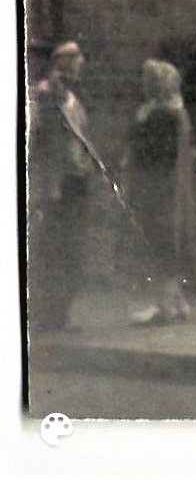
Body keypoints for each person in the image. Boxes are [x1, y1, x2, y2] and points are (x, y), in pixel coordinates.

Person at [28, 41, 98, 332]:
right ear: (62, 63)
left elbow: (81, 139)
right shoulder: (42, 97)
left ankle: (59, 313)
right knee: (50, 248)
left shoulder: (73, 99)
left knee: (72, 248)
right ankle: (45, 314)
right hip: (54, 186)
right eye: (76, 60)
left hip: (76, 183)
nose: (80, 65)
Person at [124, 59, 195, 325]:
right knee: (169, 241)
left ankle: (165, 307)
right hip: (171, 187)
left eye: (148, 81)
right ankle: (178, 303)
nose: (143, 86)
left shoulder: (161, 115)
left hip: (159, 188)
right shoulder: (176, 111)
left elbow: (152, 154)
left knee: (162, 241)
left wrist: (141, 124)